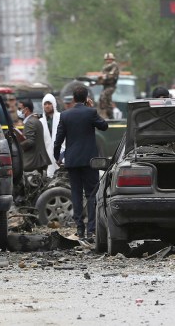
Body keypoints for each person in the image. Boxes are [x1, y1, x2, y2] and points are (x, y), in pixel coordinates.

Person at [54, 85, 108, 240]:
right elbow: (104, 126)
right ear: (86, 98)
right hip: (90, 161)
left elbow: (58, 140)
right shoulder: (90, 112)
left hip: (72, 161)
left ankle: (79, 229)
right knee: (91, 194)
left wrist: (57, 157)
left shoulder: (65, 115)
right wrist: (92, 108)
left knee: (76, 194)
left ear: (73, 98)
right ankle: (91, 230)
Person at [18, 100, 52, 177]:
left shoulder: (30, 122)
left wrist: (18, 145)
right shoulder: (35, 120)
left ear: (26, 109)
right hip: (38, 161)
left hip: (33, 162)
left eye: (20, 108)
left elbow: (30, 141)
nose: (18, 111)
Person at [40, 94, 61, 177]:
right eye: (45, 104)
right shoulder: (41, 121)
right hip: (47, 154)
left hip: (60, 153)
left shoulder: (60, 117)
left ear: (54, 104)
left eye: (49, 103)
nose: (47, 106)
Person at [97, 52, 120, 119]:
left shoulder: (114, 66)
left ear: (112, 59)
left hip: (111, 86)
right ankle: (110, 116)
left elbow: (111, 75)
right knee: (108, 101)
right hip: (105, 86)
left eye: (109, 59)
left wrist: (103, 77)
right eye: (106, 59)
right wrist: (98, 81)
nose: (108, 60)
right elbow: (102, 77)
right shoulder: (105, 67)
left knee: (103, 96)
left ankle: (104, 115)